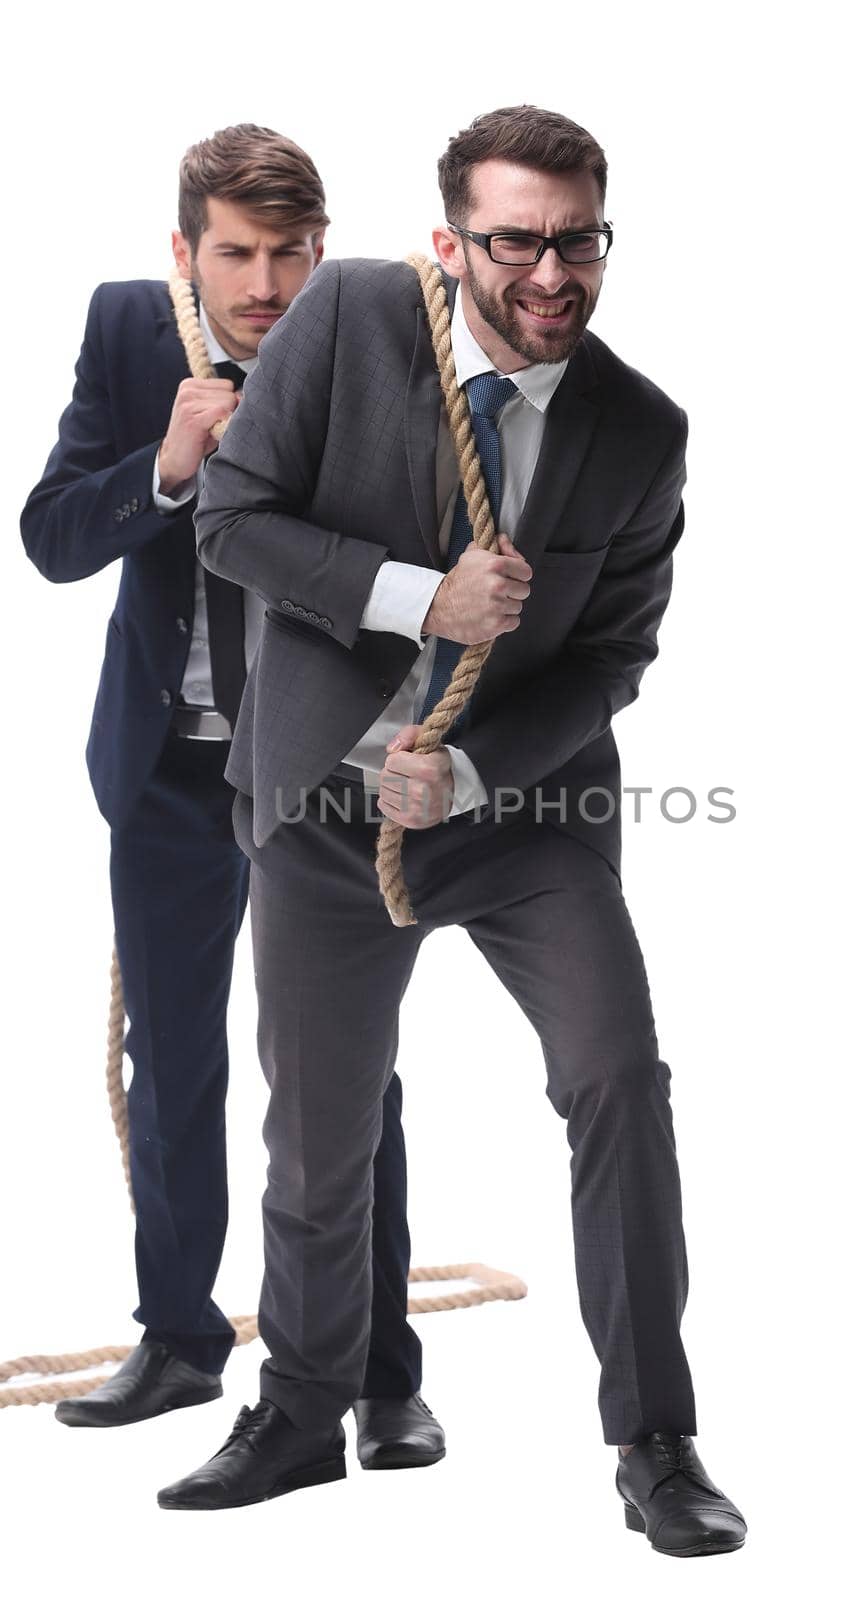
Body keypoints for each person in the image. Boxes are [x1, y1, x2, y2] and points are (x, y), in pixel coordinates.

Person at [160, 104, 745, 1558]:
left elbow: (614, 657)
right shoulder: (356, 314)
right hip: (319, 809)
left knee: (619, 1077)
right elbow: (231, 518)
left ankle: (656, 1442)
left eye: (579, 240)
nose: (551, 273)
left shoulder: (640, 429)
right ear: (451, 243)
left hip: (522, 814)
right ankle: (301, 1413)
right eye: (517, 241)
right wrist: (419, 599)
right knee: (319, 1130)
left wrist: (471, 770)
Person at [20, 123, 444, 1469]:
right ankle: (179, 1343)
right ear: (183, 255)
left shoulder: (385, 336)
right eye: (235, 255)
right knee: (176, 1063)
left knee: (344, 1072)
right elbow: (51, 537)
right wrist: (167, 467)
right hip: (168, 767)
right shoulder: (129, 333)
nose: (262, 282)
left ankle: (383, 1374)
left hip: (324, 768)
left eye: (287, 254)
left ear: (321, 251)